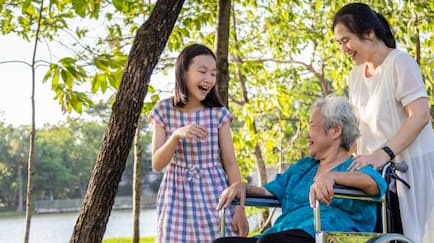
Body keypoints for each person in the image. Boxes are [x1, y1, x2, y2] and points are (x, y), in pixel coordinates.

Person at [213, 96, 388, 243]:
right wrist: (242, 187)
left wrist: (332, 177)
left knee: (273, 242)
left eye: (312, 126)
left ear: (335, 131)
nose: (307, 134)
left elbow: (376, 184)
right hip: (284, 232)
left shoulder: (355, 166)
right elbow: (269, 192)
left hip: (327, 235)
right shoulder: (304, 167)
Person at [332, 3, 434, 242]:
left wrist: (383, 154)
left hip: (411, 169)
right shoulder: (354, 77)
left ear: (369, 32)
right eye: (339, 43)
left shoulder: (400, 63)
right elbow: (359, 131)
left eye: (346, 40)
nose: (343, 48)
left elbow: (420, 115)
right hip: (377, 176)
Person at [149, 43, 248, 243]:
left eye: (213, 74)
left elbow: (230, 163)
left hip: (214, 191)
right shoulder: (163, 110)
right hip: (176, 195)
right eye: (202, 71)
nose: (209, 79)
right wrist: (176, 136)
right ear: (183, 72)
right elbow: (157, 164)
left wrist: (240, 210)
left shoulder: (218, 113)